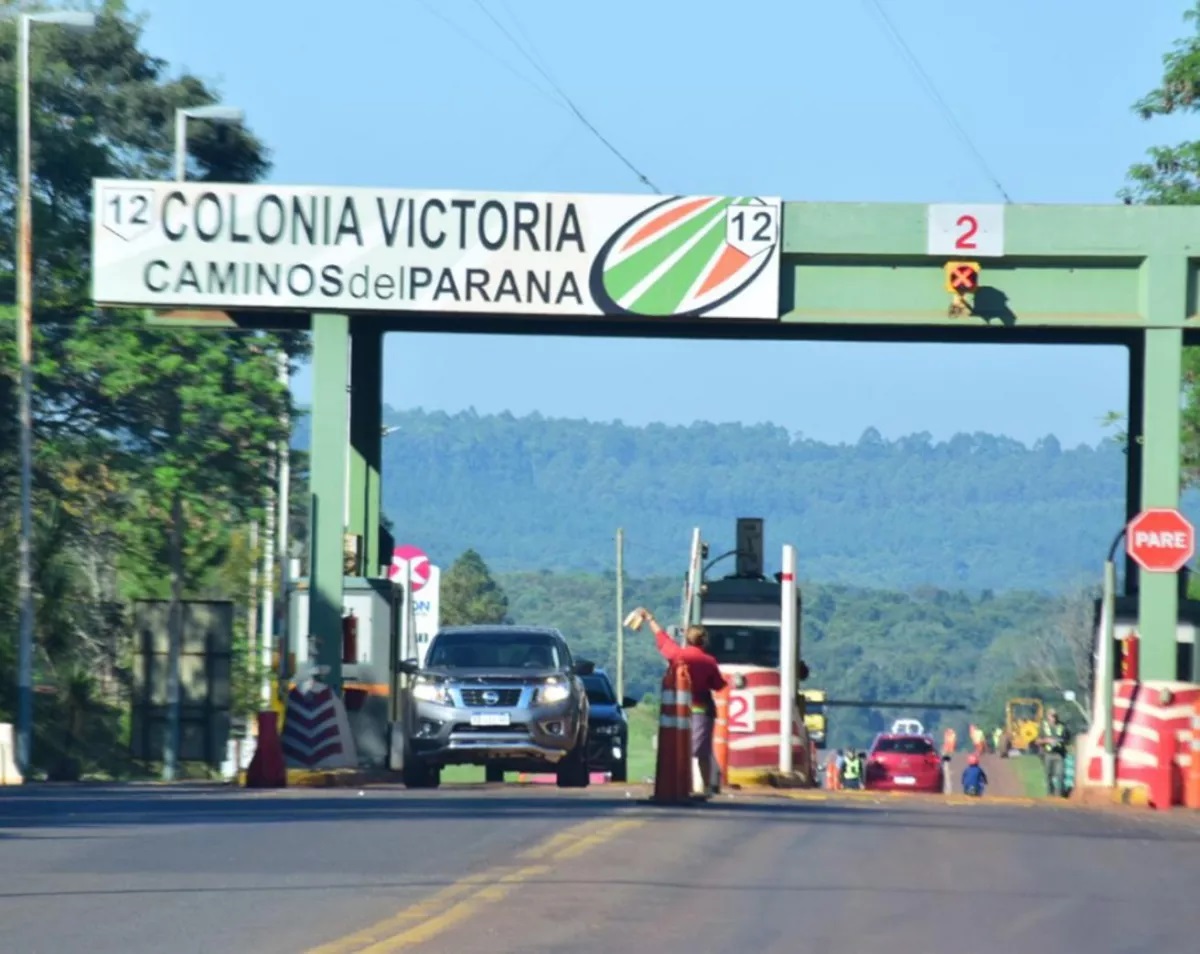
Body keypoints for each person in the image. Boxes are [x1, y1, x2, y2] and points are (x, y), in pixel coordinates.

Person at [633, 608, 727, 794]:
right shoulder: (709, 661)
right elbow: (718, 685)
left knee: (680, 749)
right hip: (702, 710)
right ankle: (707, 786)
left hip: (677, 711)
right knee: (702, 752)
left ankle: (681, 785)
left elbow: (662, 639)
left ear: (688, 638)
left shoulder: (678, 656)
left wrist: (650, 619)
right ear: (704, 641)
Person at [1038, 708, 1071, 797]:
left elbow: (1068, 739)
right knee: (1048, 775)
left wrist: (1060, 741)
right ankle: (1050, 794)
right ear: (1048, 716)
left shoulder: (1062, 726)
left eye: (1055, 716)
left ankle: (1059, 795)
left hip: (1059, 754)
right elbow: (1037, 741)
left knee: (1060, 775)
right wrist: (1047, 740)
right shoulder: (1043, 726)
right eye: (1052, 716)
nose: (1054, 718)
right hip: (1048, 754)